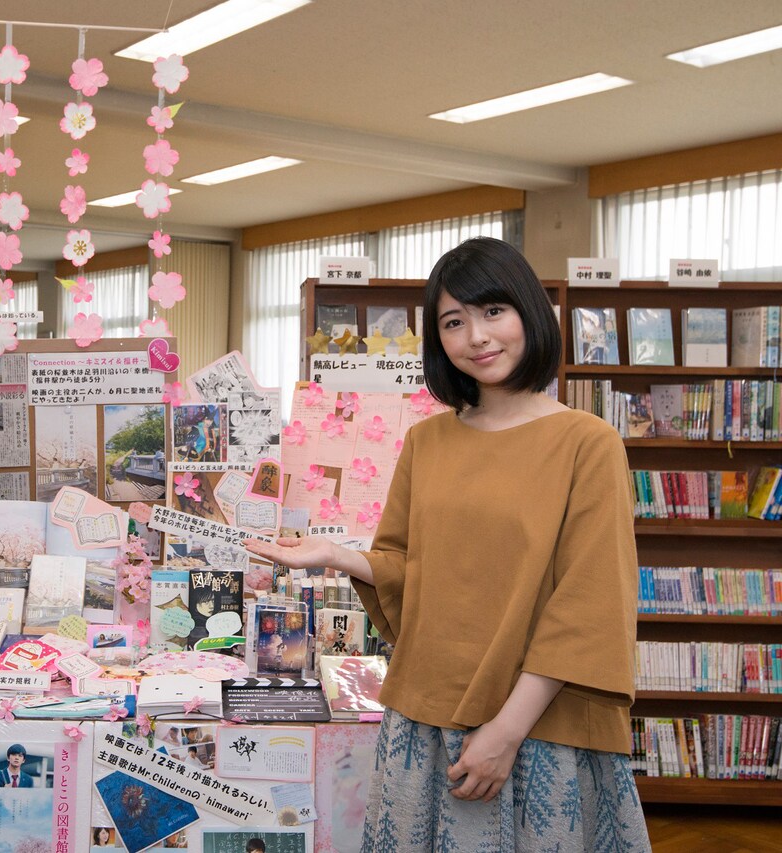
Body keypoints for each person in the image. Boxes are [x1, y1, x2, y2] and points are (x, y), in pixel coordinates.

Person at [246, 237, 647, 851]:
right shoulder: (427, 442)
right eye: (454, 322)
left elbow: (588, 605)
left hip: (540, 728)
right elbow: (414, 569)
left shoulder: (588, 443)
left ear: (529, 313)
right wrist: (334, 555)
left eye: (493, 312)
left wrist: (505, 733)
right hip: (426, 717)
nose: (477, 337)